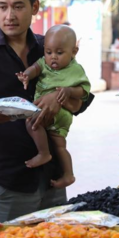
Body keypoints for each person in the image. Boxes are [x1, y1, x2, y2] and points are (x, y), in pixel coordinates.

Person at [0, 0, 94, 222]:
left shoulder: (50, 47)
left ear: (35, 7)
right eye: (3, 6)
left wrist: (59, 98)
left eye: (18, 6)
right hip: (9, 181)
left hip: (53, 178)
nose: (10, 15)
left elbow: (81, 100)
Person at [16, 25, 91, 188]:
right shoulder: (45, 63)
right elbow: (35, 68)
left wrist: (69, 91)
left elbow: (84, 90)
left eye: (59, 53)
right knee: (60, 145)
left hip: (62, 112)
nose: (53, 58)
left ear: (74, 52)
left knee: (31, 122)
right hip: (51, 110)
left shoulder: (75, 70)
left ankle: (43, 153)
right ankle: (68, 174)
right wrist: (26, 76)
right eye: (48, 52)